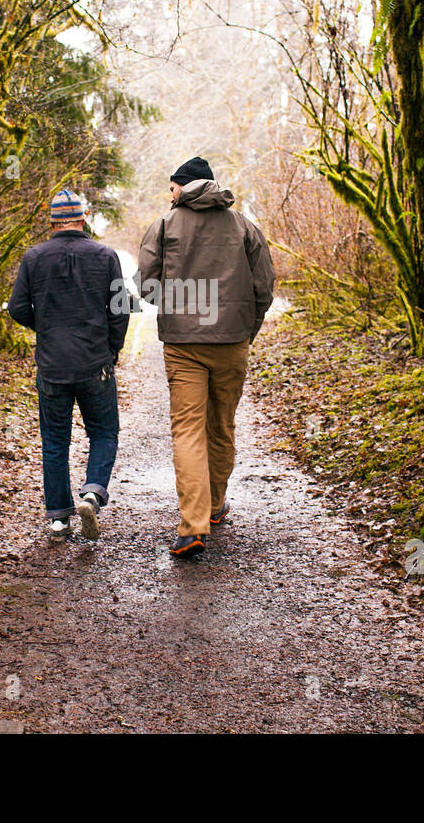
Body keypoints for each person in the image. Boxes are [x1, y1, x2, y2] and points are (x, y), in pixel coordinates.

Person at [137, 157, 275, 558]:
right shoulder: (244, 226)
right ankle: (215, 507)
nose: (170, 193)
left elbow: (146, 287)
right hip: (232, 341)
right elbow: (264, 286)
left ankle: (192, 527)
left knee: (188, 431)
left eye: (172, 186)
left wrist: (179, 308)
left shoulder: (164, 225)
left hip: (183, 346)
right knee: (221, 425)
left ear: (184, 186)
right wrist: (246, 327)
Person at [7, 189, 127, 542]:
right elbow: (119, 309)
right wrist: (111, 349)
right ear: (84, 217)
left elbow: (16, 308)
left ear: (53, 221)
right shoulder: (105, 256)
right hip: (95, 363)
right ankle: (92, 492)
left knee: (55, 441)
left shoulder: (34, 258)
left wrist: (45, 327)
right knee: (104, 432)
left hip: (52, 367)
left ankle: (59, 518)